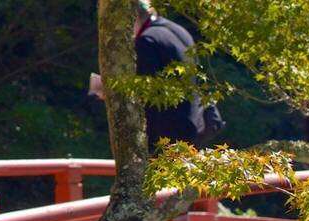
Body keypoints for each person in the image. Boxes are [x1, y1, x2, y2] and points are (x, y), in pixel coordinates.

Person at [90, 1, 225, 146]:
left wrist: (113, 91)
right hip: (195, 124)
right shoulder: (178, 30)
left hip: (167, 132)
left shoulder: (147, 40)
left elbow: (148, 93)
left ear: (132, 17)